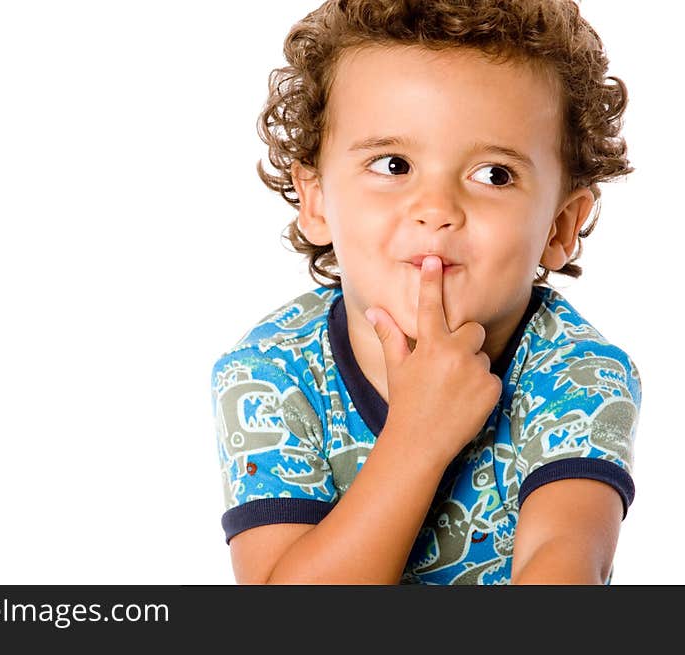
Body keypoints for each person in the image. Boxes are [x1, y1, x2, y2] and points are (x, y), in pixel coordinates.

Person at [210, 0, 641, 585]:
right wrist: (416, 437)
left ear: (560, 226)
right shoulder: (268, 376)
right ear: (314, 201)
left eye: (494, 174)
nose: (436, 210)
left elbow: (564, 566)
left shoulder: (579, 374)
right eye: (393, 165)